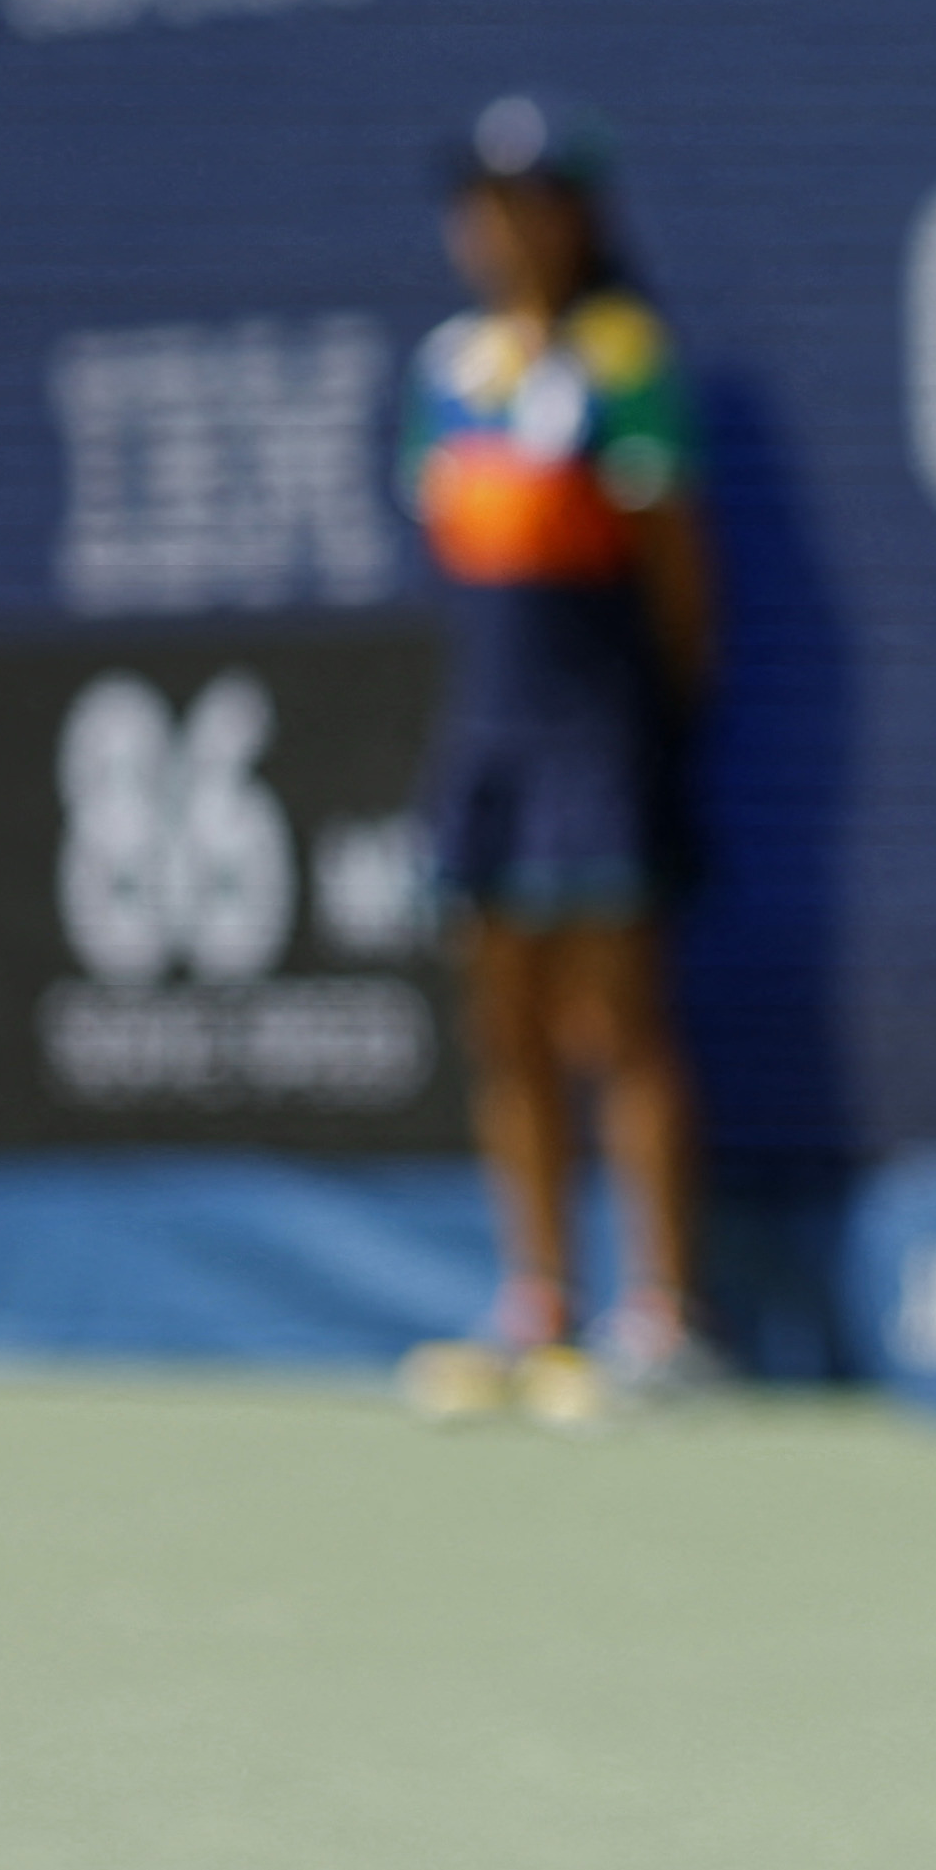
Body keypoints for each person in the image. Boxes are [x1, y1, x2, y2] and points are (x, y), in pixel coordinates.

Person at [393, 99, 723, 1426]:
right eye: (479, 200)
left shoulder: (626, 358)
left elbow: (682, 578)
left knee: (619, 1023)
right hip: (488, 740)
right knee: (503, 1021)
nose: (498, 225)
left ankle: (663, 1316)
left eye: (526, 198)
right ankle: (536, 1306)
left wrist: (660, 718)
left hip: (600, 730)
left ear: (574, 214)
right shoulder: (445, 371)